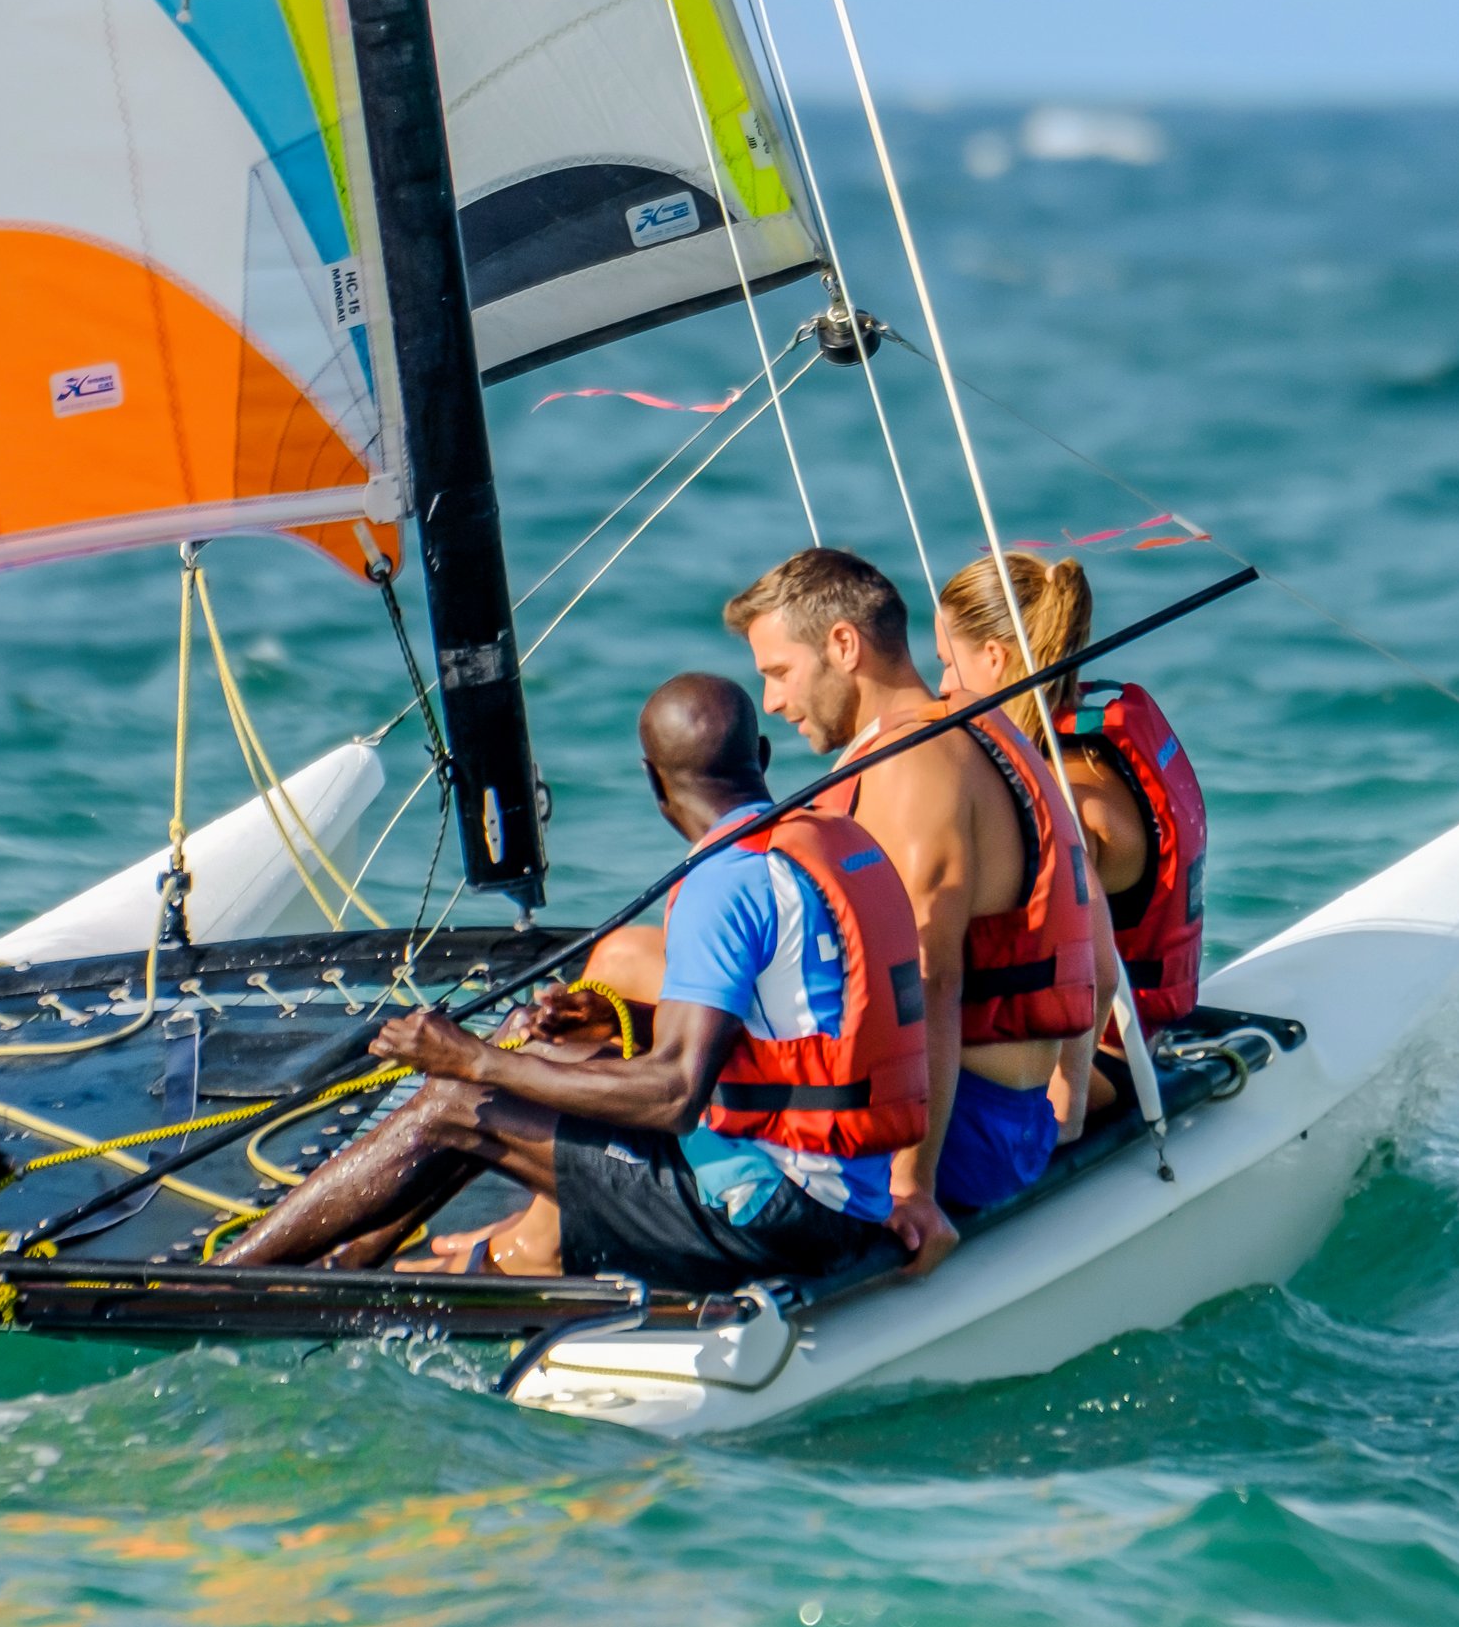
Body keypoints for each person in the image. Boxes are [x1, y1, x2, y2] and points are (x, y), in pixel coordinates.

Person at [221, 672, 938, 1290]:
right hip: (848, 1196)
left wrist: (470, 1058)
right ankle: (350, 1261)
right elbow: (793, 1036)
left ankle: (227, 1279)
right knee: (530, 1051)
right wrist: (615, 1021)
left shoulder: (725, 881)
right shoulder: (826, 844)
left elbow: (674, 1095)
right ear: (761, 757)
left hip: (778, 1220)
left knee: (458, 1099)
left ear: (654, 781)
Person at [722, 546, 1101, 1226]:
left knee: (633, 1034)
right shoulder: (983, 728)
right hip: (1010, 1120)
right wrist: (1065, 1111)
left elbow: (927, 981)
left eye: (779, 673)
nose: (771, 701)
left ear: (844, 645)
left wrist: (910, 1189)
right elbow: (1094, 947)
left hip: (961, 1138)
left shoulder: (909, 768)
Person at [932, 550, 1211, 1115]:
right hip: (1138, 1033)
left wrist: (1067, 1109)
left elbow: (1096, 977)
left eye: (946, 663)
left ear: (994, 657)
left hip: (1106, 1061)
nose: (941, 686)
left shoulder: (1066, 803)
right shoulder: (1092, 744)